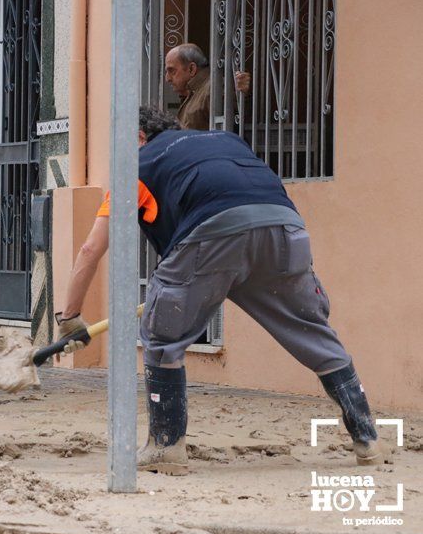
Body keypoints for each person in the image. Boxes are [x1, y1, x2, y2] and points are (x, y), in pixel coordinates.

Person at [55, 106, 392, 475]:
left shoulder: (137, 167)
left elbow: (91, 250)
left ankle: (166, 447)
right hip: (285, 230)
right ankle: (368, 440)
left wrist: (69, 317)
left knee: (162, 335)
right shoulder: (225, 141)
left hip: (211, 237)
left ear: (137, 137)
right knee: (313, 333)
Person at [165, 43, 251, 130]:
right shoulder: (194, 91)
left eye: (172, 71)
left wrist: (243, 94)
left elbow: (229, 127)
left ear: (191, 69)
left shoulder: (213, 89)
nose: (167, 78)